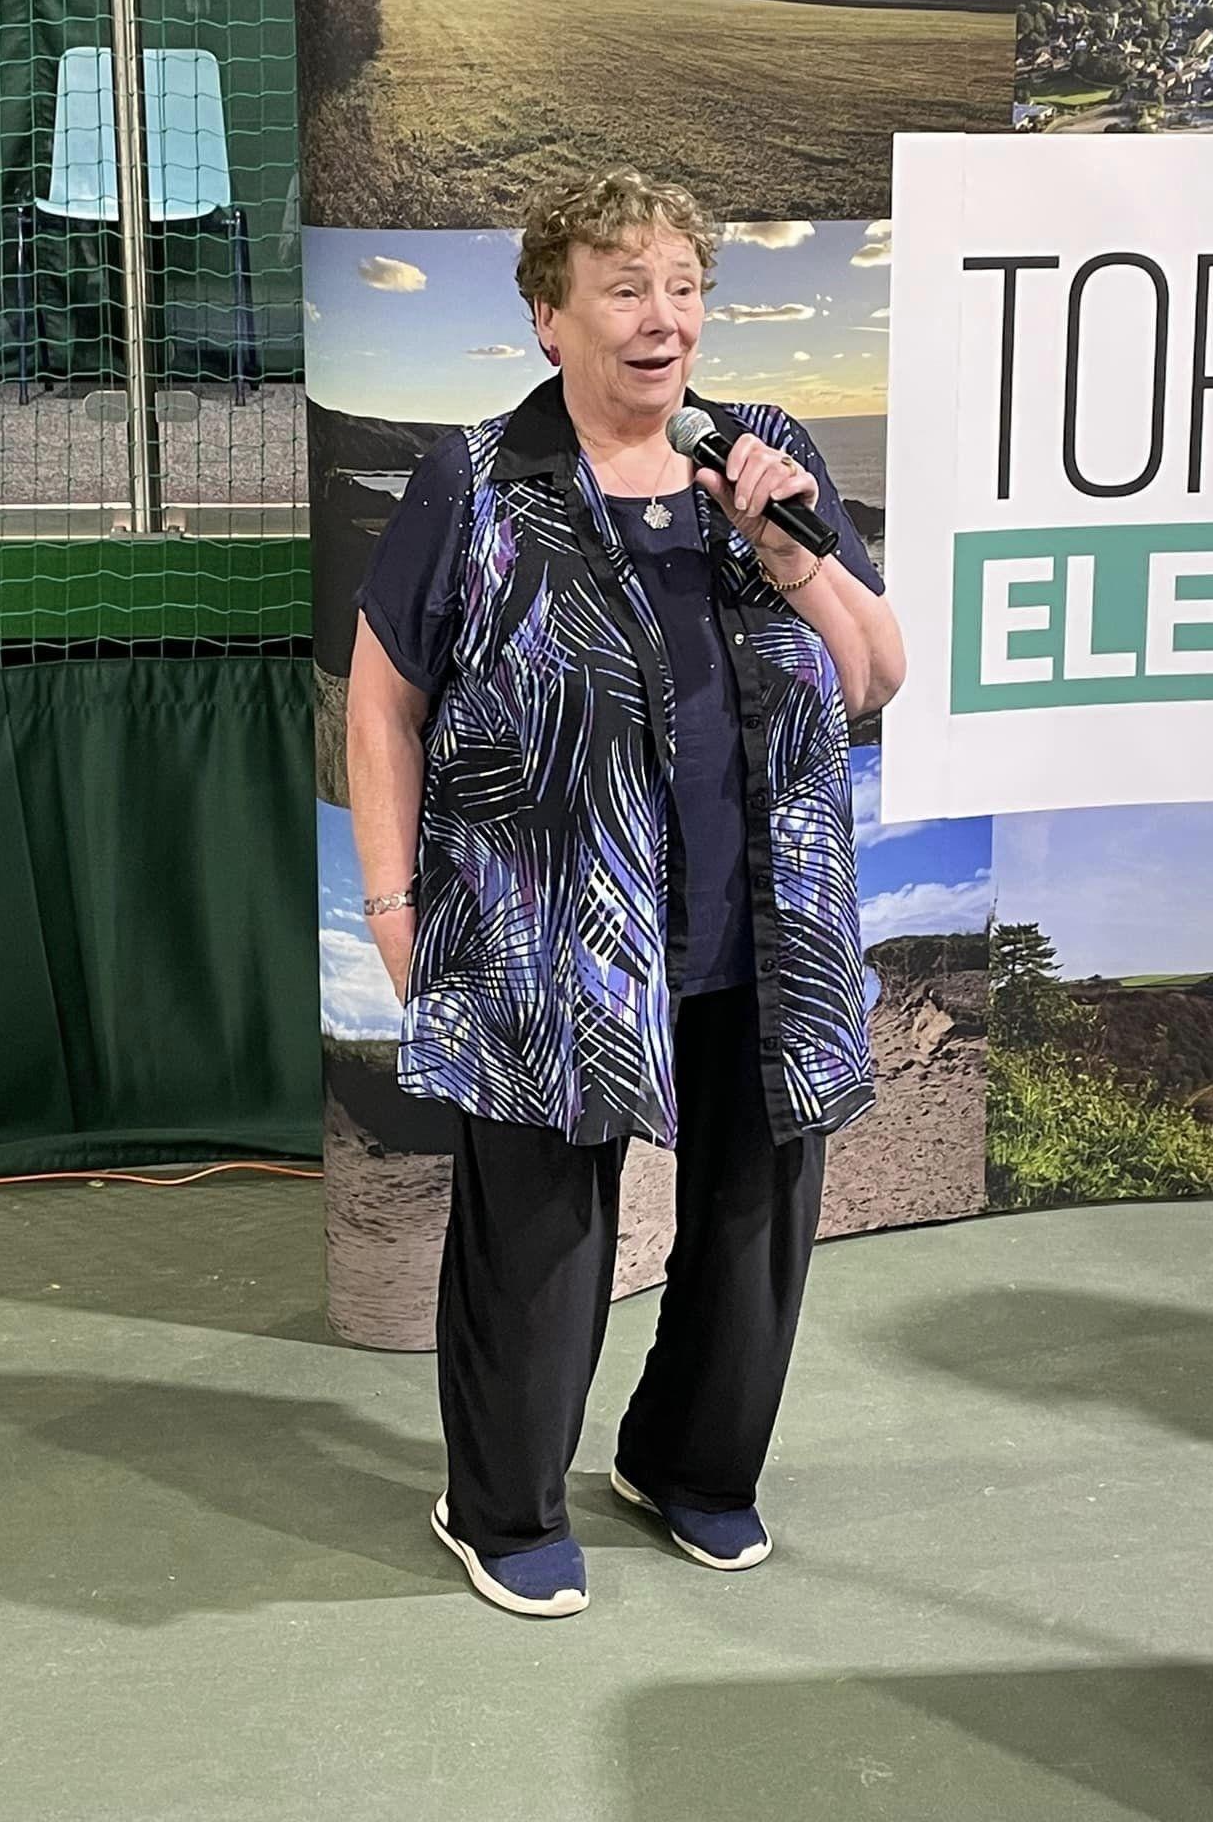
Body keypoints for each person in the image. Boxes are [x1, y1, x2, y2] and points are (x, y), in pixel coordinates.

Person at [346, 166, 906, 1619]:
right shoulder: (475, 481)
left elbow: (875, 679)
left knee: (756, 1215)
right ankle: (504, 1507)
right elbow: (384, 705)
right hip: (546, 936)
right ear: (551, 320)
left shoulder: (761, 456)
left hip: (763, 923)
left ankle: (694, 1471)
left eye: (683, 287)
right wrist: (395, 906)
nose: (663, 319)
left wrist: (790, 550)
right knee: (539, 1233)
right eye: (624, 288)